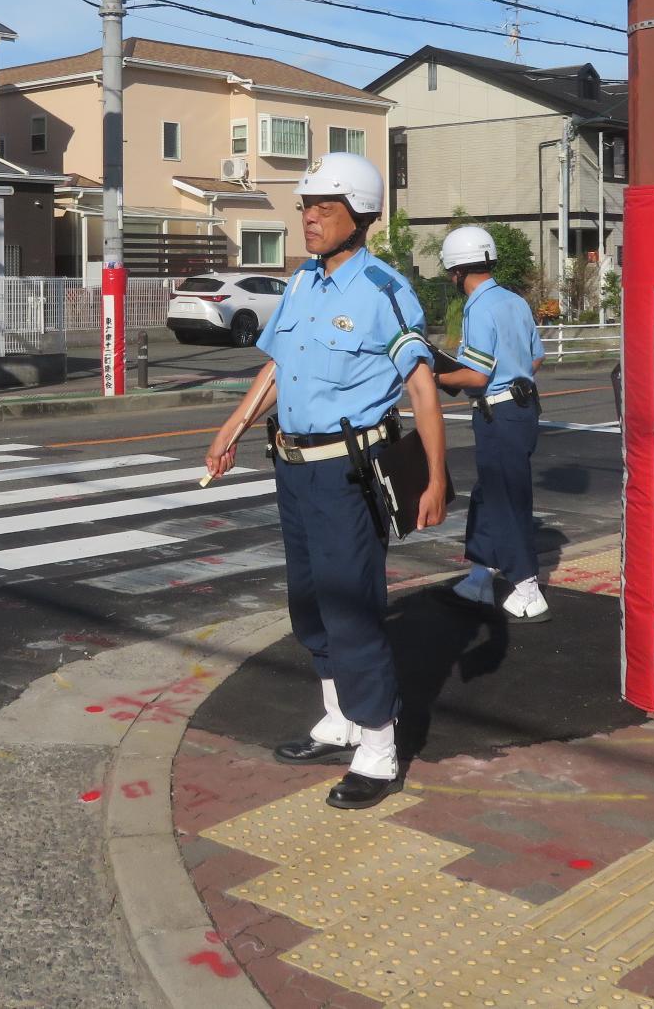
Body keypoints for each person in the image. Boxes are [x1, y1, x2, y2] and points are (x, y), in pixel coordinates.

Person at [204, 150, 450, 811]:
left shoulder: (385, 290)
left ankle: (379, 747)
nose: (309, 218)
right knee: (310, 602)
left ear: (359, 215)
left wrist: (435, 477)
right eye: (306, 207)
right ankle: (339, 717)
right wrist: (231, 429)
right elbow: (277, 367)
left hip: (348, 473)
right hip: (291, 467)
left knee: (351, 606)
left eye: (324, 207)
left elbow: (421, 387)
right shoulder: (303, 283)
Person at [432, 225, 549, 621]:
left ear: (456, 271)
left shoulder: (478, 307)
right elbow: (536, 356)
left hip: (497, 413)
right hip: (523, 409)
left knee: (505, 499)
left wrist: (436, 376)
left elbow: (477, 375)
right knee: (490, 493)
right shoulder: (514, 301)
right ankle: (479, 576)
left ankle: (527, 587)